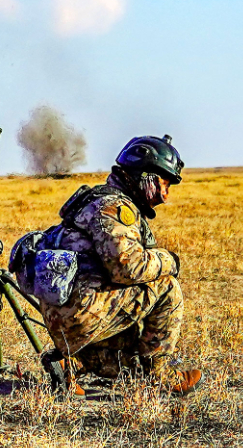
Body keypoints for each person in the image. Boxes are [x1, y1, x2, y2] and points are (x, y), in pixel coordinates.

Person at [37, 134, 202, 397]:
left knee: (134, 360)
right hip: (82, 312)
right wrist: (171, 260)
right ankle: (160, 377)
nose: (165, 196)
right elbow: (127, 268)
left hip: (67, 315)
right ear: (145, 177)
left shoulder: (95, 199)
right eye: (164, 184)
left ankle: (70, 364)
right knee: (166, 286)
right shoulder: (113, 207)